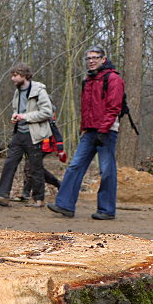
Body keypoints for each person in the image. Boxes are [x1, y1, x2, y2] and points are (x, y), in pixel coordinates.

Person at [48, 46, 124, 220]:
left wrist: (103, 130)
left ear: (103, 59)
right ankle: (65, 205)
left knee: (106, 170)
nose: (91, 61)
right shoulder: (88, 80)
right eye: (88, 58)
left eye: (95, 57)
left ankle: (106, 210)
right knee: (75, 166)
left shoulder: (113, 79)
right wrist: (83, 129)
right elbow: (86, 109)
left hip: (107, 131)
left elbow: (114, 107)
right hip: (89, 132)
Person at [0, 63, 53, 208]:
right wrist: (15, 117)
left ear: (25, 75)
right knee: (9, 163)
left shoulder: (39, 90)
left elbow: (47, 112)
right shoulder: (17, 92)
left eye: (15, 75)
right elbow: (19, 110)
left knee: (35, 167)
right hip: (19, 133)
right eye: (12, 75)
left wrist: (25, 116)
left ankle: (39, 199)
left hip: (34, 134)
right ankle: (2, 196)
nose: (12, 79)